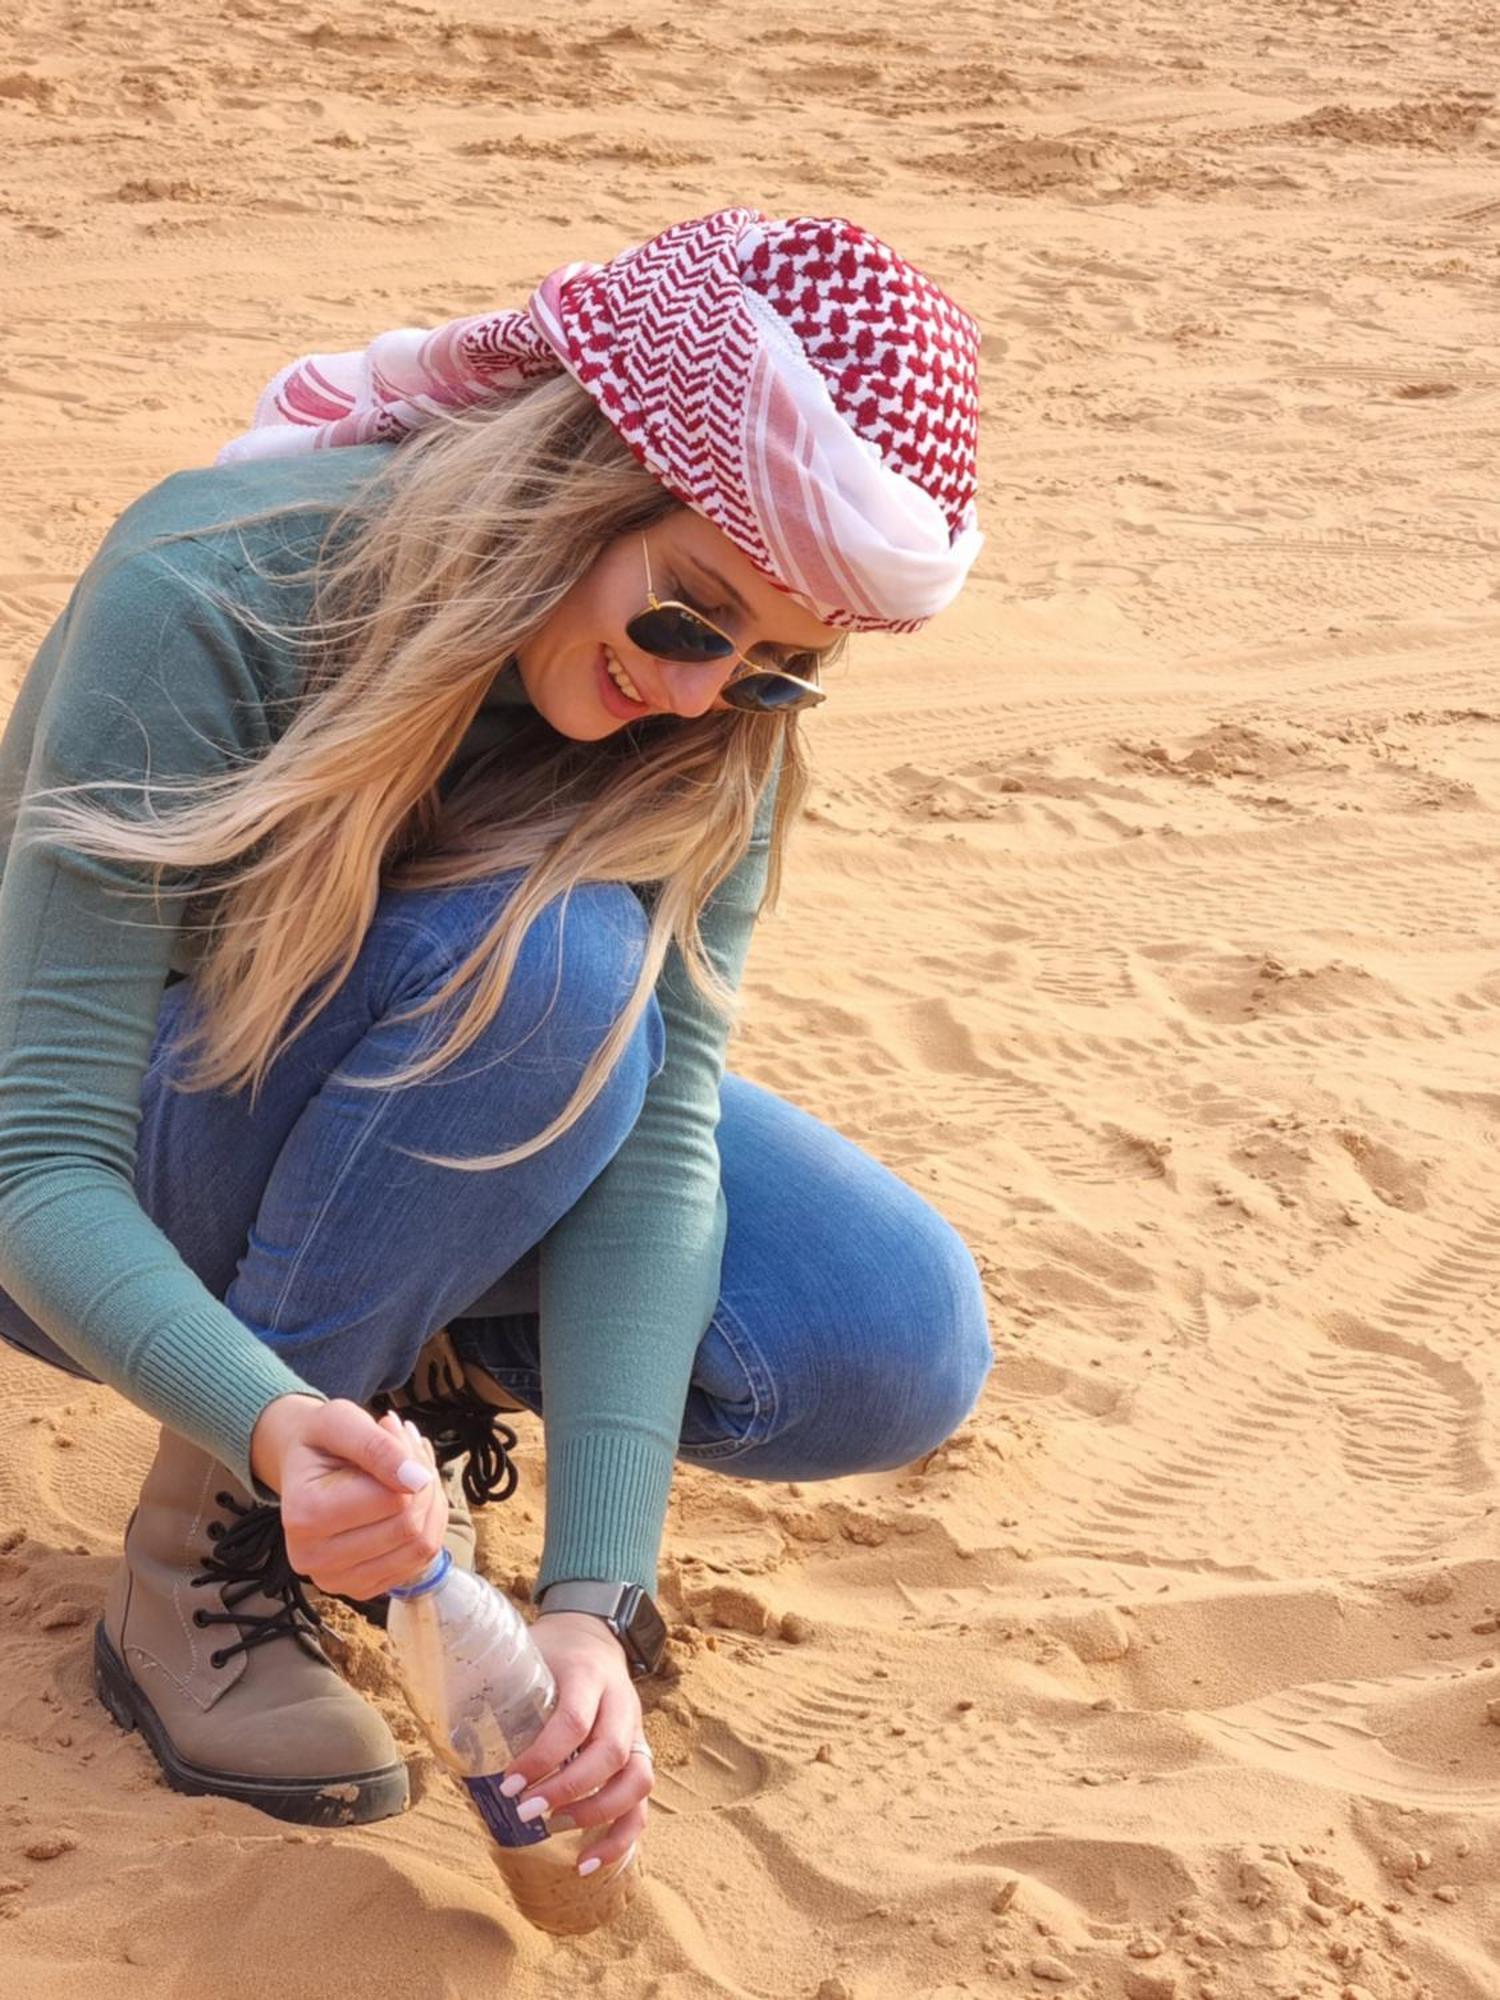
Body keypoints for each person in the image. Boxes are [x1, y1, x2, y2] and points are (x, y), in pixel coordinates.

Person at [0, 208, 992, 1877]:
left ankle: (381, 1328)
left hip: (430, 1093)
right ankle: (211, 1547)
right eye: (690, 618)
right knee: (545, 975)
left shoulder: (708, 730)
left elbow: (660, 1138)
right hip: (72, 1184)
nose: (700, 696)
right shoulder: (217, 585)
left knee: (881, 1332)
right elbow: (34, 1158)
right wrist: (260, 1419)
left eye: (774, 672)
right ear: (580, 481)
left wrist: (595, 1602)